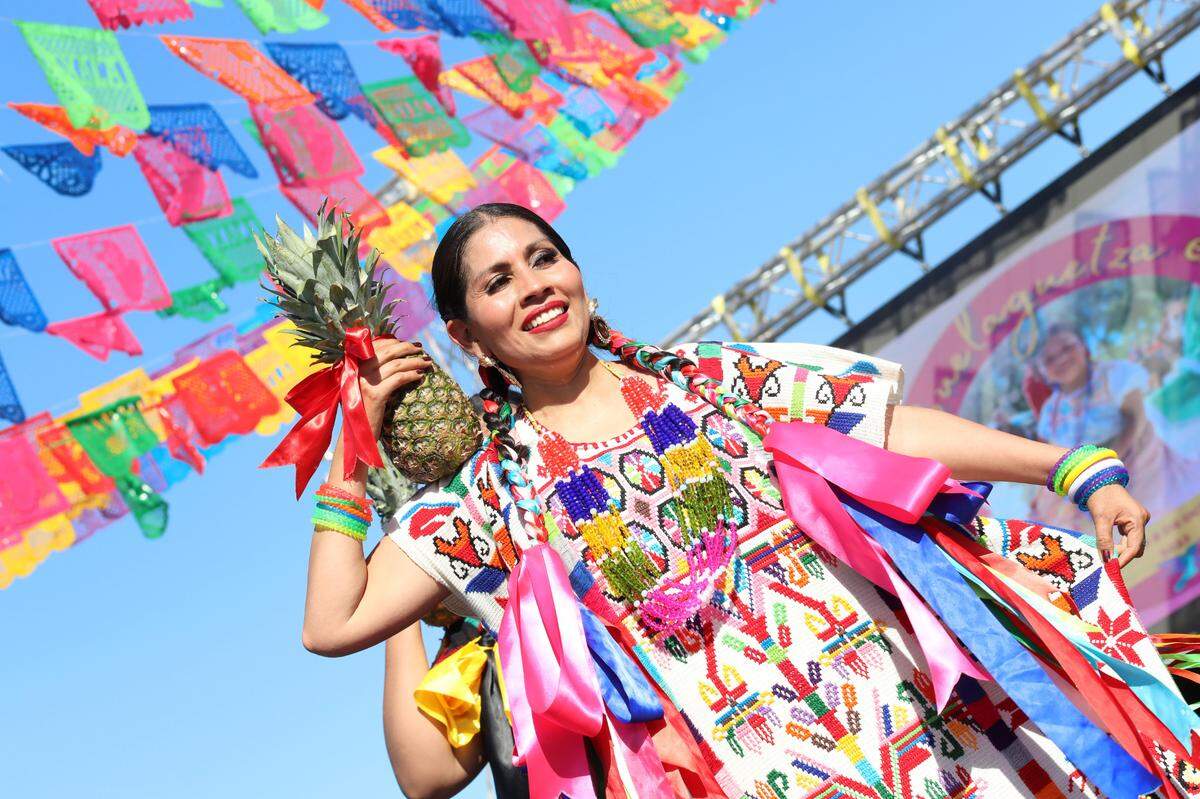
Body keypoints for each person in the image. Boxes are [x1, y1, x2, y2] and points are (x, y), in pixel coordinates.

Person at [300, 203, 1198, 799]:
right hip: (753, 769)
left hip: (915, 719)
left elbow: (883, 430)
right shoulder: (493, 492)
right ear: (465, 336)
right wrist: (355, 449)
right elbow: (333, 621)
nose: (534, 284)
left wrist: (1075, 466)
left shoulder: (717, 380)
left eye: (544, 258)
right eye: (499, 280)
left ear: (580, 274)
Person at [1027, 322, 1200, 531]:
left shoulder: (1115, 373)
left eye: (1067, 347)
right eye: (1049, 359)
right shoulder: (1050, 411)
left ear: (1083, 346)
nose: (1061, 359)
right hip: (1091, 485)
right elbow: (1055, 455)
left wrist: (1103, 466)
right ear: (1042, 371)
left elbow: (1136, 421)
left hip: (1140, 465)